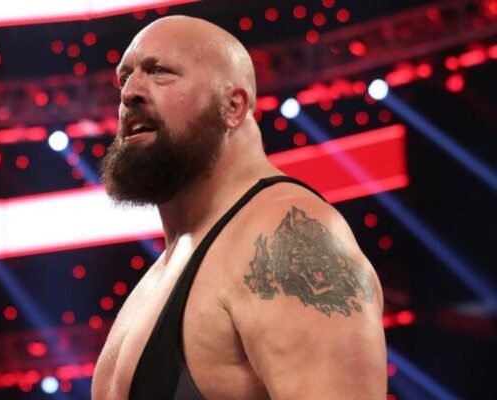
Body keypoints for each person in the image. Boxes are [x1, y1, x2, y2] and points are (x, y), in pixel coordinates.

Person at [91, 15, 386, 400]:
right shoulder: (167, 267)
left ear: (232, 106)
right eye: (124, 78)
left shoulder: (286, 238)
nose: (130, 92)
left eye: (160, 72)